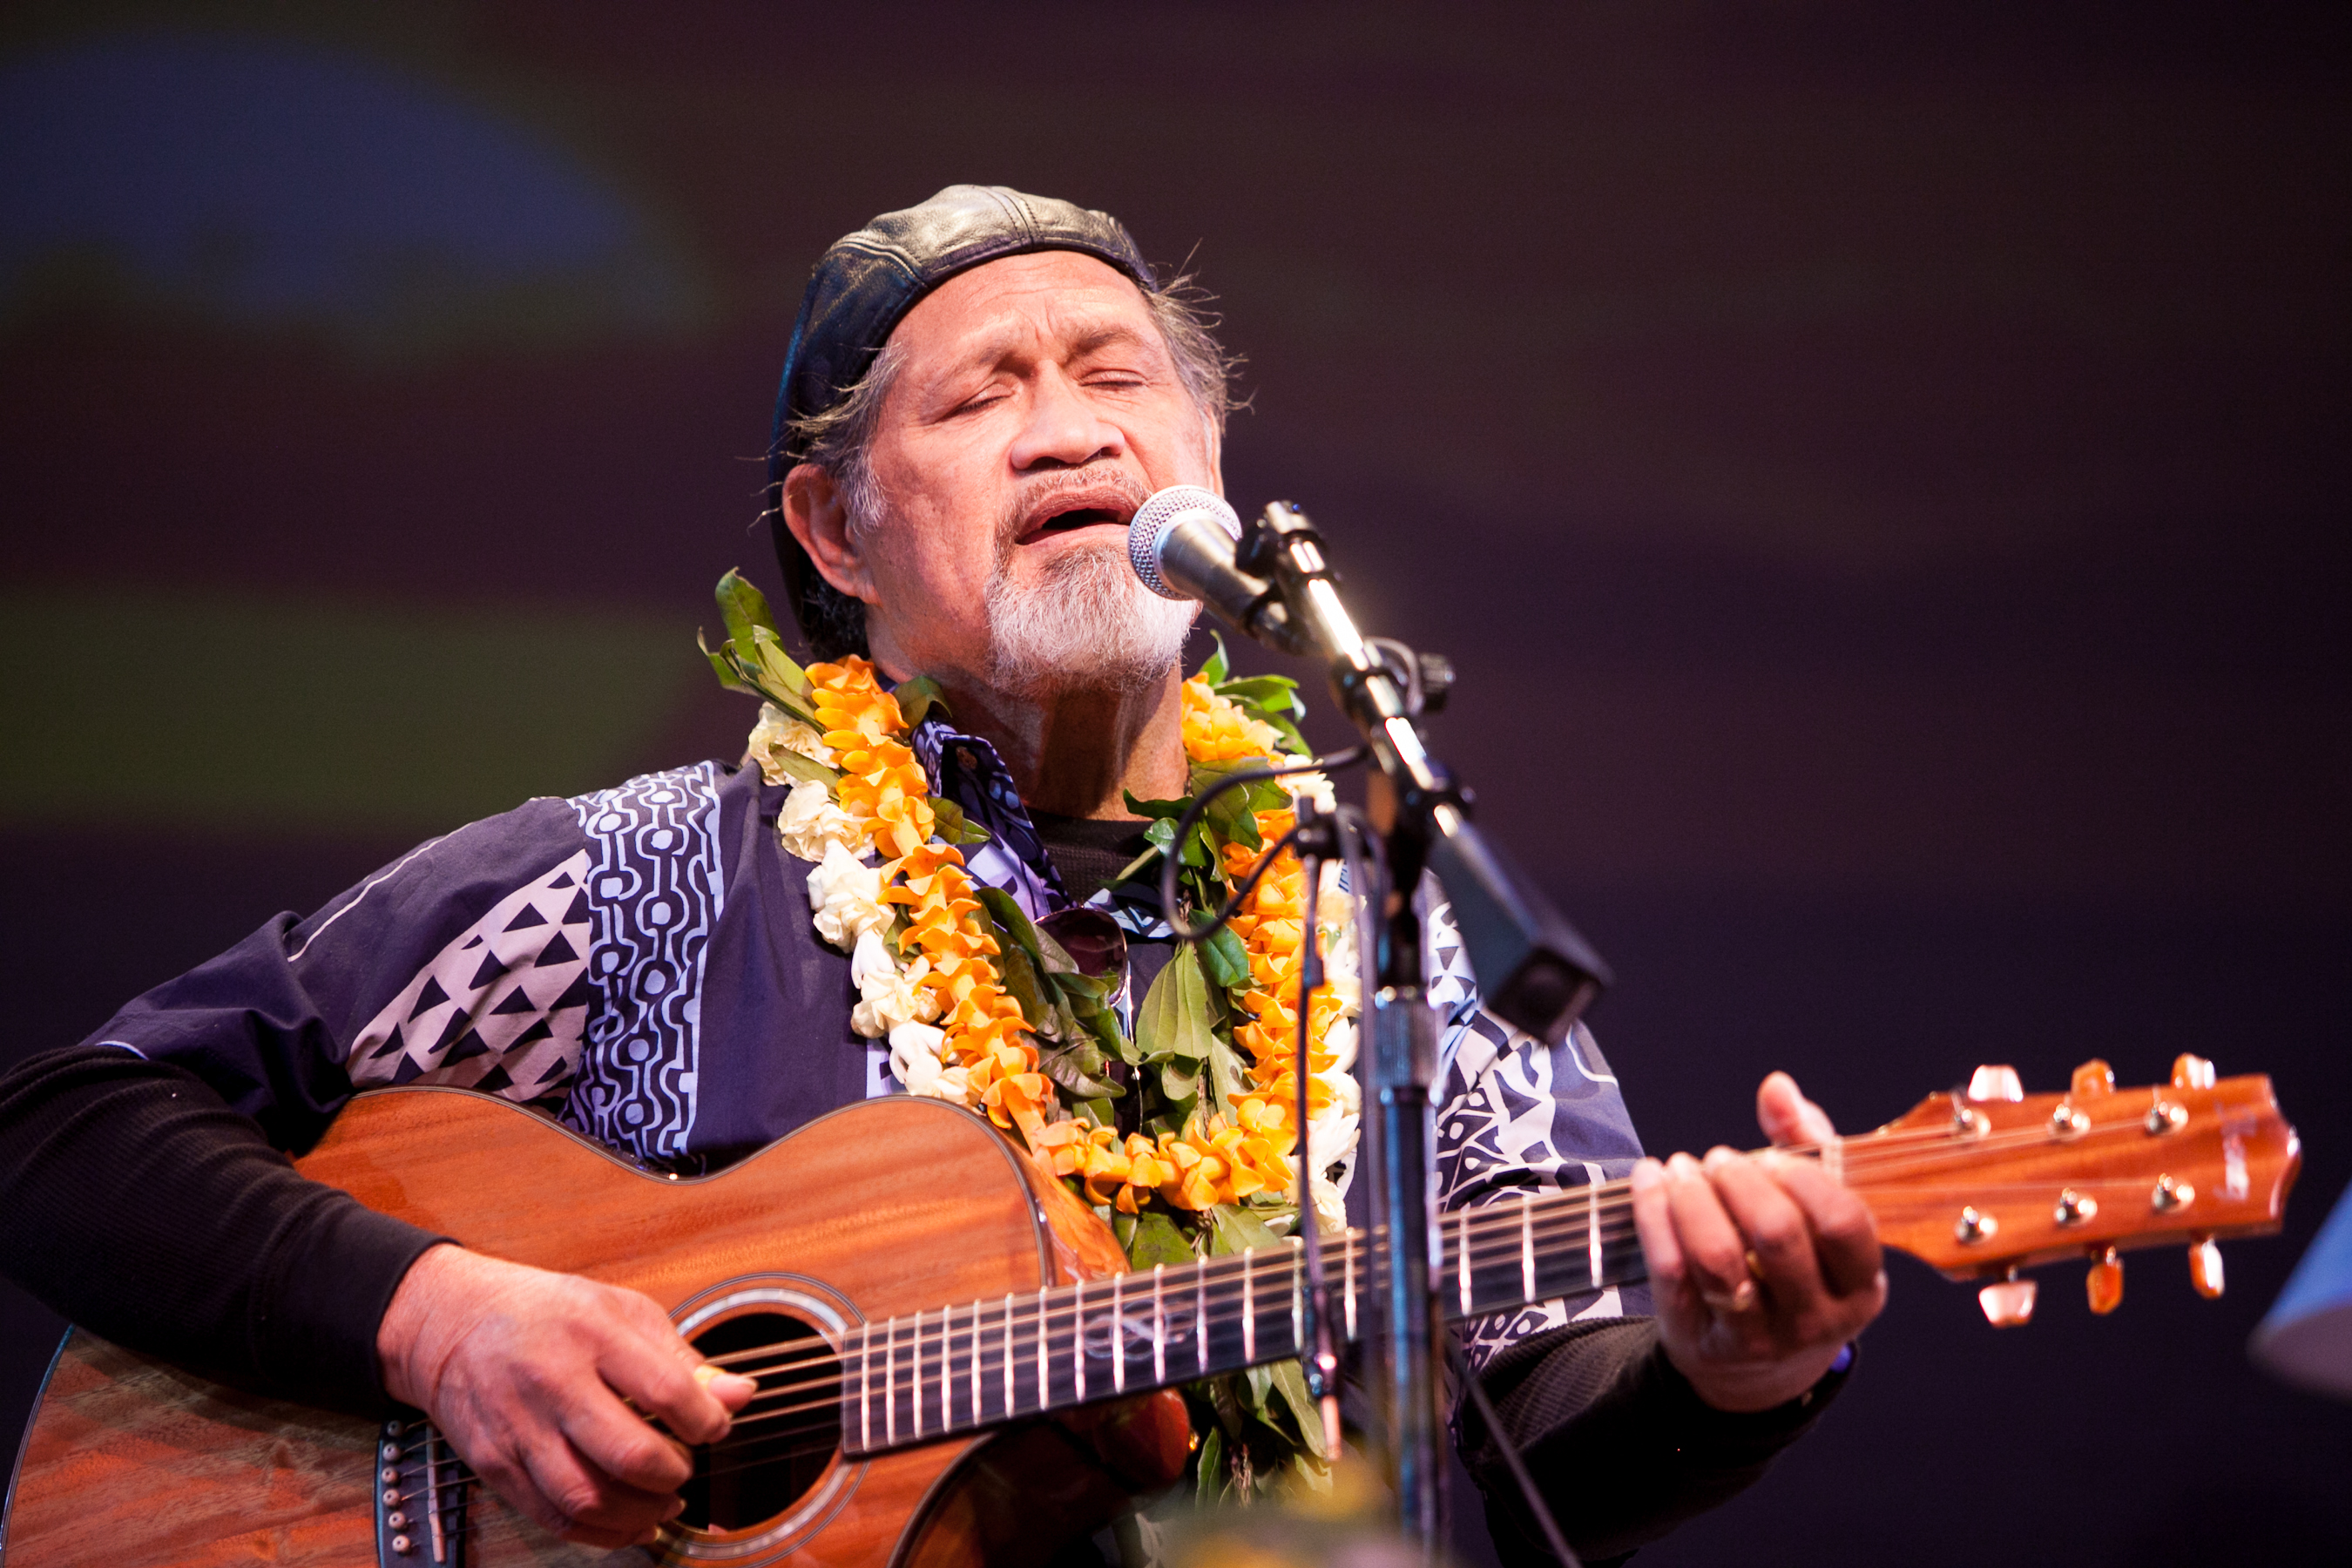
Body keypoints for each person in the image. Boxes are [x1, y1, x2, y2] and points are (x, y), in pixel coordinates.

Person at [0, 186, 1886, 1565]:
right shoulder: (633, 889)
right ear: (835, 527)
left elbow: (1555, 1446)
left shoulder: (1384, 927)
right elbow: (68, 1129)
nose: (1070, 428)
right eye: (980, 396)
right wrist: (445, 1321)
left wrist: (1733, 1366)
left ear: (1211, 470)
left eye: (1117, 379)